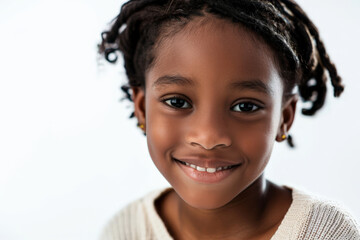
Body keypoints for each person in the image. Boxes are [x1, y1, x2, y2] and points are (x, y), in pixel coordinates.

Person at [98, 0, 360, 239]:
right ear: (142, 108)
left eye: (245, 106)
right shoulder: (126, 231)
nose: (209, 136)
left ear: (284, 117)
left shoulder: (325, 233)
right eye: (177, 102)